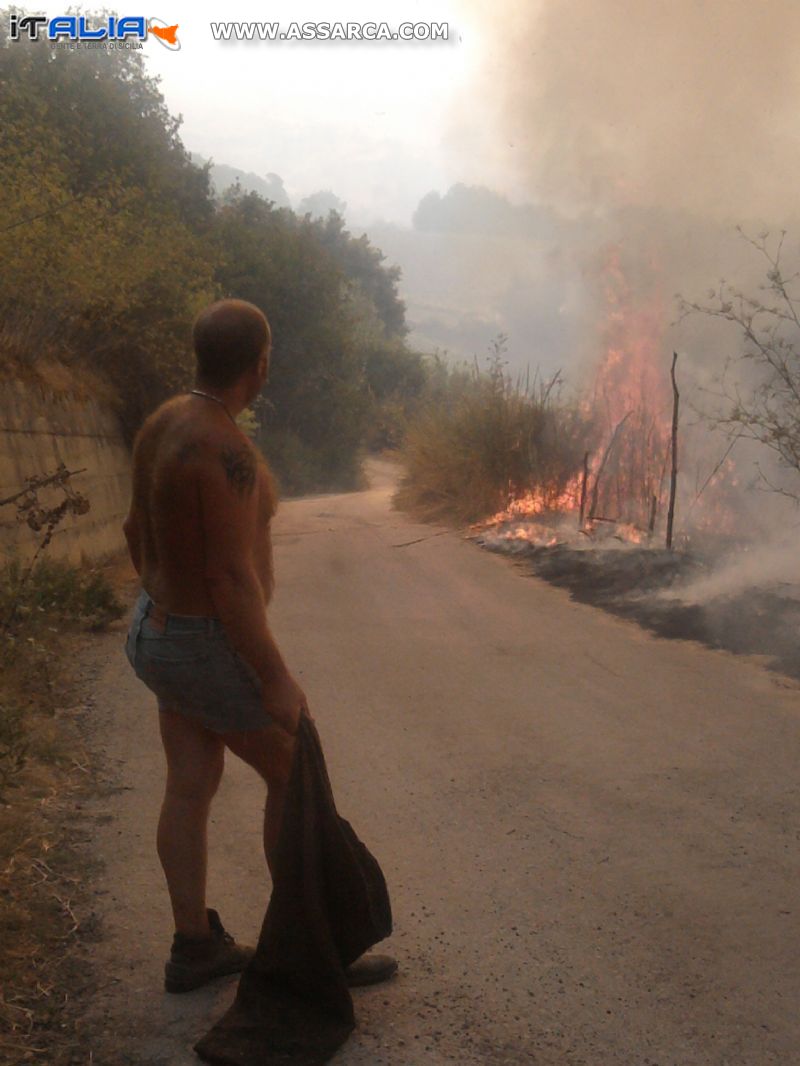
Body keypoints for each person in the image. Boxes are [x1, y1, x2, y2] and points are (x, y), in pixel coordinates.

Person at [122, 298, 395, 993]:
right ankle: (307, 952)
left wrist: (169, 608)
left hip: (157, 630)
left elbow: (132, 532)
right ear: (261, 364)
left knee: (190, 784)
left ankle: (194, 948)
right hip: (201, 641)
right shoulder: (223, 449)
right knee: (291, 777)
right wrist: (272, 676)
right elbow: (229, 578)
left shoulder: (162, 423)